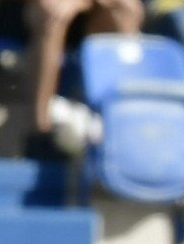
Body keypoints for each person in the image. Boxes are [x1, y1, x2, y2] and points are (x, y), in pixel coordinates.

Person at [19, 0, 145, 159]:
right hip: (20, 12)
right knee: (51, 13)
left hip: (83, 11)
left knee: (126, 9)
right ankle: (40, 135)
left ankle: (117, 134)